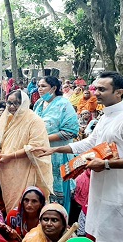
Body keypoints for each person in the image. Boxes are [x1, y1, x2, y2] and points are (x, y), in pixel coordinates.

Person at [32, 71, 123, 242]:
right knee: (99, 234)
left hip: (121, 193)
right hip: (100, 189)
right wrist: (55, 149)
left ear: (119, 92)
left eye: (102, 89)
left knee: (118, 236)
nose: (96, 93)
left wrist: (106, 165)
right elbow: (90, 143)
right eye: (95, 88)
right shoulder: (105, 117)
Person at [0, 90, 53, 213]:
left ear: (24, 103)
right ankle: (12, 227)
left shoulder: (34, 120)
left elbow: (35, 147)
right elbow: (4, 140)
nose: (12, 107)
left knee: (25, 204)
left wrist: (10, 156)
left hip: (25, 169)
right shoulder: (7, 118)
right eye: (9, 103)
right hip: (7, 170)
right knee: (10, 205)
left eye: (16, 103)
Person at [33, 76, 79, 211]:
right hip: (40, 154)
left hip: (59, 154)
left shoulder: (64, 104)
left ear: (53, 88)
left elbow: (71, 132)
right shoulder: (39, 104)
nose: (39, 89)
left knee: (59, 190)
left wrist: (44, 139)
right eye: (39, 86)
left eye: (43, 86)